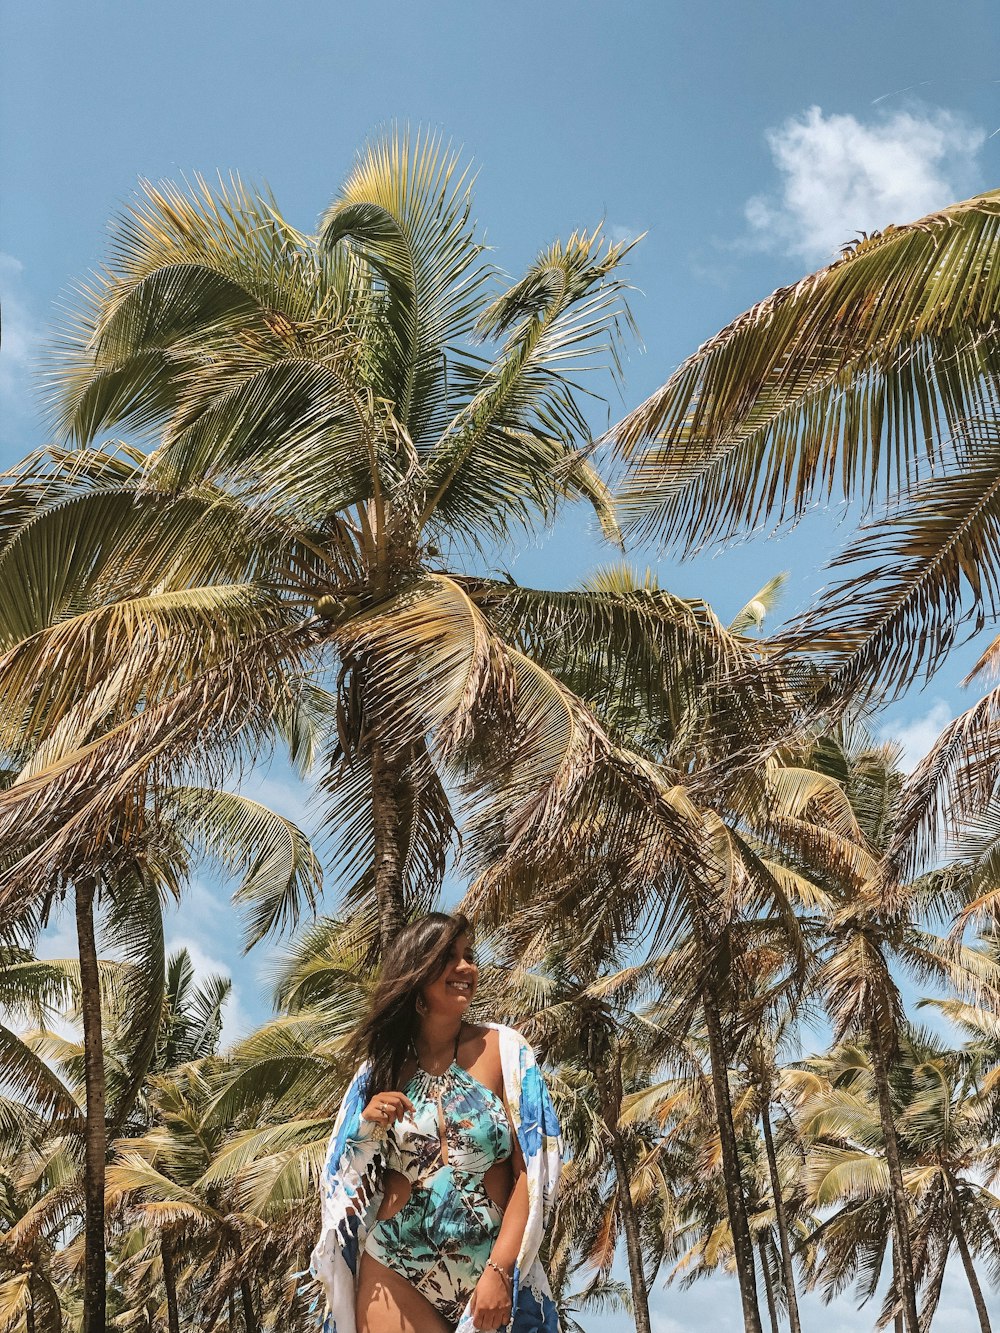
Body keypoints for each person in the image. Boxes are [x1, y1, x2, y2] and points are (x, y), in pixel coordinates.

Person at [311, 912, 563, 1333]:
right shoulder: (378, 1072)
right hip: (393, 1268)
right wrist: (368, 1127)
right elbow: (340, 1184)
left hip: (489, 1273)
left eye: (468, 955)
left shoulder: (505, 1052)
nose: (466, 967)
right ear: (417, 973)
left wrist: (500, 1272)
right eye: (449, 957)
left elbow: (532, 1174)